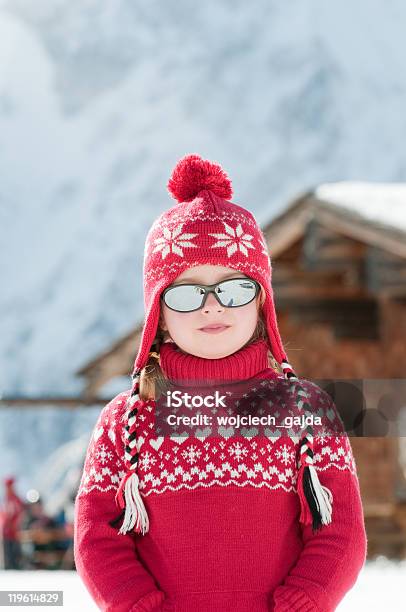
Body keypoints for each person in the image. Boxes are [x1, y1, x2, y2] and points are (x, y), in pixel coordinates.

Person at [74, 154, 367, 611]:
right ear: (160, 317)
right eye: (188, 293)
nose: (212, 307)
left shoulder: (306, 411)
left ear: (260, 304)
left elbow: (340, 532)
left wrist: (301, 604)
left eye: (233, 288)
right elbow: (98, 541)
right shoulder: (124, 422)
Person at [1, 476, 24, 570]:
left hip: (13, 532)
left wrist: (15, 526)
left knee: (13, 554)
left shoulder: (15, 499)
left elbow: (19, 515)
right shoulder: (6, 499)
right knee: (7, 554)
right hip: (5, 532)